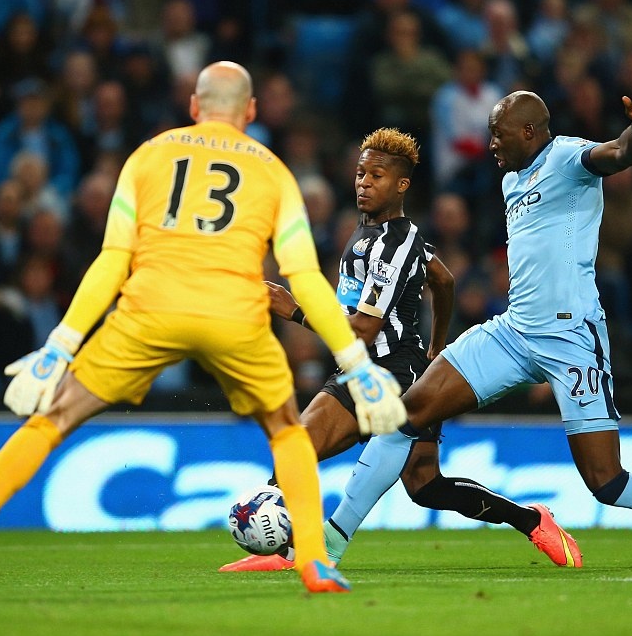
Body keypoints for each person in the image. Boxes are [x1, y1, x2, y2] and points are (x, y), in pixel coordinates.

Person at [0, 61, 408, 594]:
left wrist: (60, 344)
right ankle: (315, 562)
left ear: (194, 106)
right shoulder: (274, 171)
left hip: (150, 309)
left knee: (53, 419)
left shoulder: (148, 156)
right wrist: (354, 362)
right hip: (234, 313)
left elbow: (113, 259)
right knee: (286, 431)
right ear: (251, 111)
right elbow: (303, 275)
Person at [311, 81, 632, 570]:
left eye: (498, 135)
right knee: (405, 415)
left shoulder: (567, 158)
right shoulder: (510, 181)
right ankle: (331, 542)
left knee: (607, 482)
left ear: (528, 131)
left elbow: (619, 153)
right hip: (514, 331)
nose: (491, 145)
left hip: (571, 339)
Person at [220, 128, 581, 573]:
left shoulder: (396, 242)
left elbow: (364, 329)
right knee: (425, 486)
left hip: (391, 371)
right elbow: (443, 280)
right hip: (377, 366)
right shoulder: (374, 233)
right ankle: (531, 520)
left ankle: (294, 550)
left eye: (377, 176)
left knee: (310, 451)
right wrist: (437, 345)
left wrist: (294, 311)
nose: (364, 183)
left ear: (402, 184)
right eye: (360, 173)